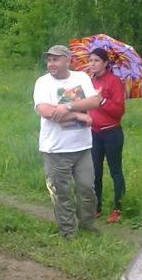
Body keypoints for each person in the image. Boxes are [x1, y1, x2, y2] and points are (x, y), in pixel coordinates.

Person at [33, 44, 102, 239]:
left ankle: (87, 225)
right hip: (56, 149)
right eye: (49, 60)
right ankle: (68, 232)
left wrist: (66, 107)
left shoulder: (81, 77)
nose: (51, 64)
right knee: (61, 194)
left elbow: (94, 102)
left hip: (82, 147)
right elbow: (48, 113)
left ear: (67, 61)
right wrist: (79, 116)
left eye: (55, 59)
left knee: (87, 189)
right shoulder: (43, 83)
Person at [86, 48, 126, 223]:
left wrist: (101, 100)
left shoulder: (114, 81)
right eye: (90, 60)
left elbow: (119, 111)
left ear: (104, 63)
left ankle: (118, 207)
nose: (92, 64)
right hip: (93, 133)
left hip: (111, 133)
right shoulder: (87, 81)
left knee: (115, 171)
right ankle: (96, 207)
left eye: (96, 60)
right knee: (94, 171)